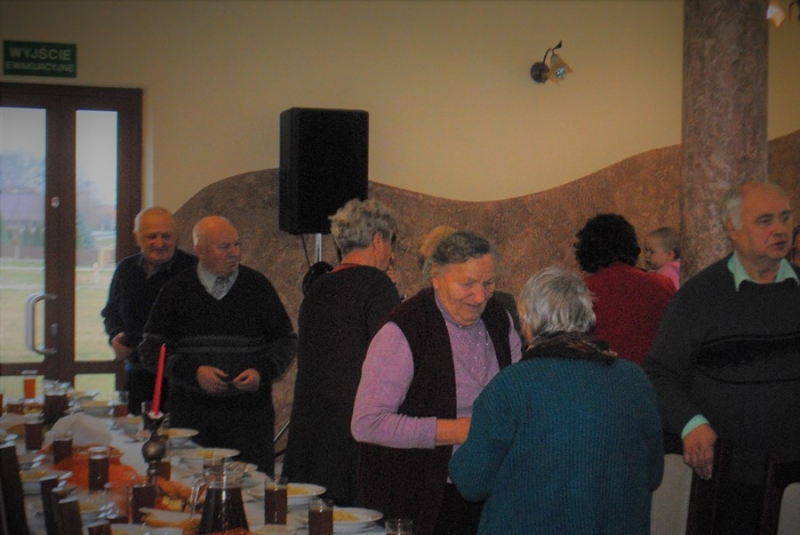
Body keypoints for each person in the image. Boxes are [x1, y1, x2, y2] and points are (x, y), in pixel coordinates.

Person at [450, 268, 663, 534]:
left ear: (528, 322)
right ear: (587, 317)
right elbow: (653, 474)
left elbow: (471, 483)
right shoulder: (634, 381)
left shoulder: (511, 387)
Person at [644, 181, 800, 533]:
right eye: (765, 220)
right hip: (730, 480)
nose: (780, 229)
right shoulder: (699, 297)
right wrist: (690, 423)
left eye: (785, 217)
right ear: (732, 228)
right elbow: (658, 373)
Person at [352, 230, 522, 535]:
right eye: (467, 284)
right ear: (436, 278)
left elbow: (517, 393)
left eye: (488, 283)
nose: (480, 297)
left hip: (488, 488)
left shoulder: (500, 319)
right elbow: (367, 423)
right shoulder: (404, 330)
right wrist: (456, 431)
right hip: (420, 495)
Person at [139, 215, 297, 474]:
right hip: (192, 422)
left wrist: (261, 371)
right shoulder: (176, 290)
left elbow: (286, 341)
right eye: (225, 247)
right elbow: (150, 350)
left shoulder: (257, 287)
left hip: (249, 423)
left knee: (254, 493)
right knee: (192, 492)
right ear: (200, 250)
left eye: (237, 244)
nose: (234, 253)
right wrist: (193, 373)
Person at [283, 199, 402, 506]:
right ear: (378, 240)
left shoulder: (318, 288)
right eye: (390, 243)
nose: (391, 254)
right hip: (354, 439)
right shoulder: (377, 285)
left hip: (311, 438)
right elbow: (393, 357)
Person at [101, 207, 197, 415]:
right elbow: (111, 312)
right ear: (137, 238)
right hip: (137, 376)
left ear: (176, 237)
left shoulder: (193, 271)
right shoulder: (126, 269)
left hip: (180, 380)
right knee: (135, 432)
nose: (160, 243)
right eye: (152, 236)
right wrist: (115, 335)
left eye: (166, 236)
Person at [574, 213, 675, 365]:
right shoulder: (662, 284)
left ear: (587, 250)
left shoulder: (582, 291)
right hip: (652, 374)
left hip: (602, 374)